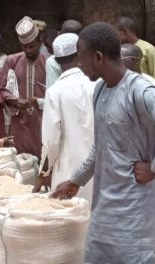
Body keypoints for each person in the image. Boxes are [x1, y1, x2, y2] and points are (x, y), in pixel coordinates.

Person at [52, 22, 155, 264]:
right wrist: (75, 181)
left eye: (81, 57)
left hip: (138, 217)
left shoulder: (140, 90)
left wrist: (154, 167)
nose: (79, 65)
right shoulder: (100, 91)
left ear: (99, 57)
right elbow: (101, 147)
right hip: (106, 215)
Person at [34, 33, 96, 203]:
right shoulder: (97, 83)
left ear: (56, 60)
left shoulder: (55, 92)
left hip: (69, 173)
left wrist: (43, 173)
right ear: (79, 54)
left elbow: (51, 142)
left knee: (73, 222)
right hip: (101, 168)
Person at [0, 16, 46, 159]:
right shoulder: (12, 60)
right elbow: (2, 89)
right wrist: (15, 100)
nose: (28, 50)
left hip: (42, 120)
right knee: (19, 160)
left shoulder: (48, 62)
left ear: (40, 40)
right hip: (19, 121)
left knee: (43, 159)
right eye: (24, 47)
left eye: (31, 46)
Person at [115, 17, 155, 89]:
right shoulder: (119, 50)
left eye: (117, 34)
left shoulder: (149, 49)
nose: (116, 38)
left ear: (124, 31)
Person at [45, 19, 84, 89]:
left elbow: (52, 94)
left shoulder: (52, 62)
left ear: (59, 34)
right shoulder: (89, 57)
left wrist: (39, 100)